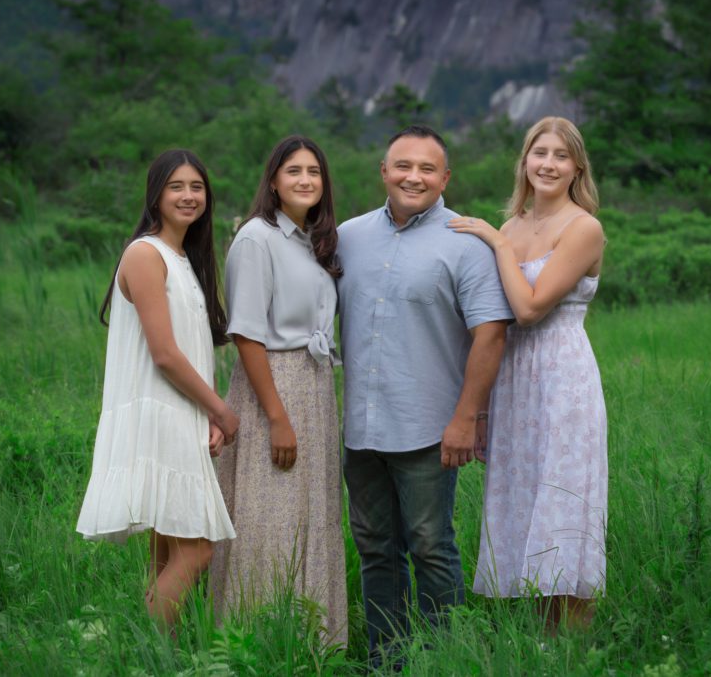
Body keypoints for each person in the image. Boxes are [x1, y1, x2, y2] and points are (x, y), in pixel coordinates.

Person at [336, 125, 513, 664]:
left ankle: (443, 658)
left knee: (432, 547)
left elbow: (491, 334)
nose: (414, 176)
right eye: (403, 166)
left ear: (445, 178)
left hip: (428, 428)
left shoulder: (468, 243)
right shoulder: (347, 236)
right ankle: (386, 659)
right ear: (384, 172)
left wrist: (466, 419)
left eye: (427, 168)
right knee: (374, 548)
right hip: (359, 429)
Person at [447, 116, 607, 631]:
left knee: (561, 504)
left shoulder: (583, 227)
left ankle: (574, 651)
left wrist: (496, 246)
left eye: (561, 156)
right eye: (540, 153)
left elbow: (531, 308)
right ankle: (536, 645)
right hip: (513, 380)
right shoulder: (514, 226)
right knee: (522, 503)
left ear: (577, 166)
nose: (549, 164)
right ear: (525, 161)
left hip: (562, 378)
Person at [76, 149, 240, 631]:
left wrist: (206, 415)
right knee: (197, 549)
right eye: (177, 186)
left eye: (197, 187)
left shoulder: (183, 258)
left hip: (180, 414)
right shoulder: (145, 254)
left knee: (169, 548)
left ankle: (152, 652)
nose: (189, 196)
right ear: (156, 194)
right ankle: (143, 650)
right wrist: (223, 412)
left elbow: (192, 350)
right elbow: (165, 354)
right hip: (158, 414)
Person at [209, 136, 347, 645]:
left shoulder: (311, 239)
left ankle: (313, 638)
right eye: (294, 171)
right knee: (270, 515)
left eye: (314, 171)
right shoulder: (256, 238)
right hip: (275, 382)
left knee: (312, 514)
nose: (306, 180)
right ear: (273, 180)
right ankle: (255, 636)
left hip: (314, 385)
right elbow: (246, 332)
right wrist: (277, 416)